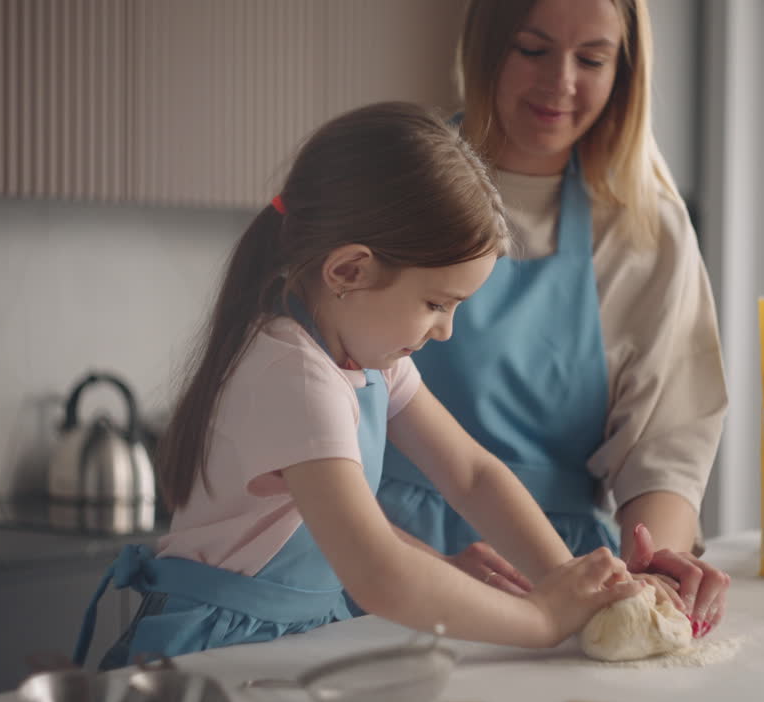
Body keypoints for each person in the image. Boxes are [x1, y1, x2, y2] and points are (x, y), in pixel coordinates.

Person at [71, 102, 665, 669]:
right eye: (436, 303)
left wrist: (563, 581)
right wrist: (539, 619)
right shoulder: (295, 375)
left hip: (295, 637)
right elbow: (377, 572)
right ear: (349, 271)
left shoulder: (367, 359)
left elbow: (472, 474)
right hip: (217, 651)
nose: (446, 330)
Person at [377, 0, 731, 638]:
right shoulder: (399, 187)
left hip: (561, 570)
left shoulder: (646, 231)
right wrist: (418, 561)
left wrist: (653, 563)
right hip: (387, 550)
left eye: (592, 58)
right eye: (532, 50)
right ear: (484, 49)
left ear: (625, 69)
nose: (561, 82)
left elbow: (664, 444)